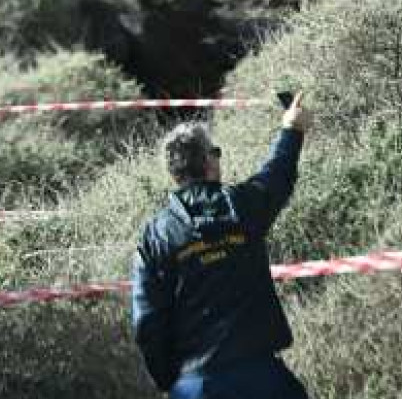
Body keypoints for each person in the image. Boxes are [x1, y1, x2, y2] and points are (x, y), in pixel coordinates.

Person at [130, 93, 312, 399]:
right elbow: (276, 175)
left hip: (195, 384)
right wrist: (291, 130)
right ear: (208, 162)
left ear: (174, 173)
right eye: (215, 152)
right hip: (262, 376)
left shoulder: (155, 235)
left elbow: (147, 320)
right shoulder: (241, 204)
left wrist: (169, 382)